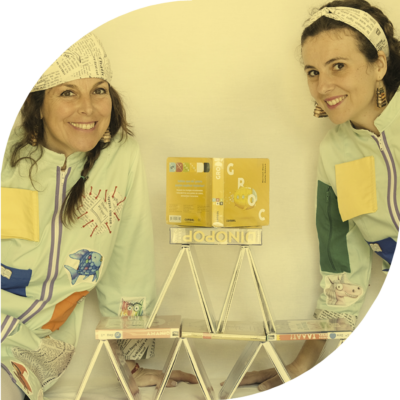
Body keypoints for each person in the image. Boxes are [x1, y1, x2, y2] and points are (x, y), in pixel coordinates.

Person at [1, 33, 196, 400]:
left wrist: (130, 360)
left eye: (99, 91)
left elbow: (129, 260)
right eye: (68, 92)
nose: (88, 108)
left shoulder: (120, 156)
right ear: (37, 104)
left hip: (38, 350)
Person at [231, 0, 399, 392]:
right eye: (313, 72)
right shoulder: (334, 153)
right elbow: (342, 266)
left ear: (379, 64)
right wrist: (304, 363)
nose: (323, 87)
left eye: (338, 66)